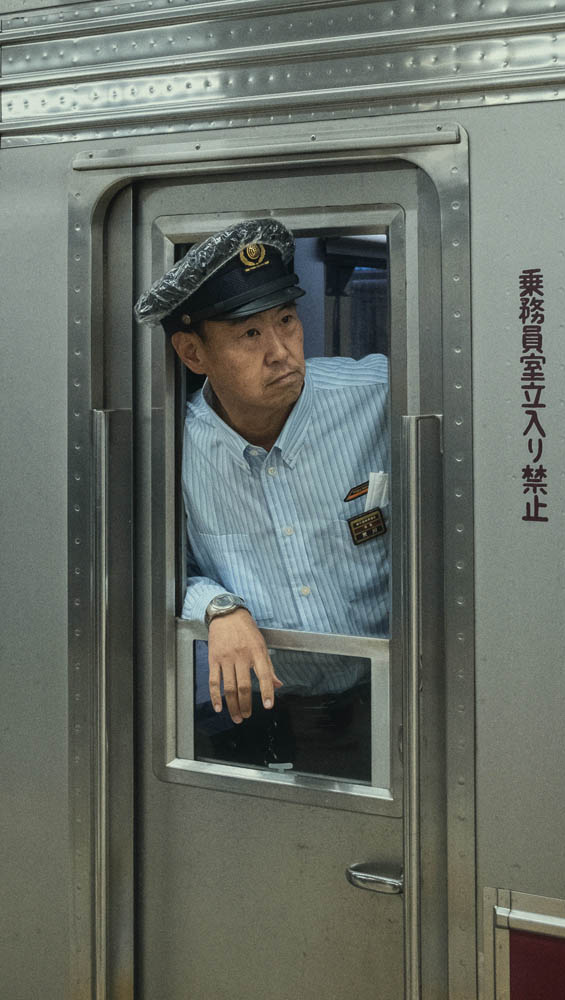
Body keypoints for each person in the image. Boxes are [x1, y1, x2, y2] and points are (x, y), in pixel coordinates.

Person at [134, 220, 389, 772]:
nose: (281, 352)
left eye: (287, 321)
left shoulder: (381, 397)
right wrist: (217, 608)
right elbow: (159, 569)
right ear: (193, 353)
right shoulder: (172, 449)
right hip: (276, 720)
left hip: (403, 699)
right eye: (249, 334)